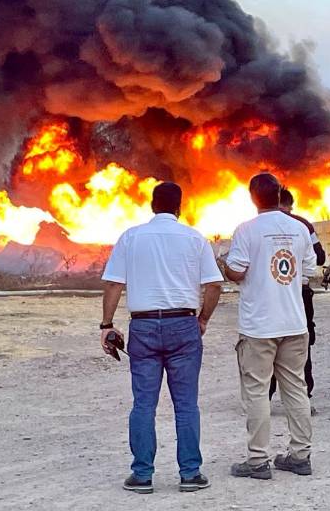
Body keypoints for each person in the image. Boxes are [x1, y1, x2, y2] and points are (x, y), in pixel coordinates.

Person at [100, 182, 223, 494]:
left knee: (143, 403)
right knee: (186, 404)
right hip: (184, 325)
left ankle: (142, 475)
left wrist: (106, 324)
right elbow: (214, 286)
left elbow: (114, 285)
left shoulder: (131, 237)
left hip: (143, 327)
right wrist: (203, 319)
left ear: (152, 205)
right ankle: (191, 474)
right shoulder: (196, 239)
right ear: (180, 207)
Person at [222, 173, 317, 480]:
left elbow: (236, 272)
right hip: (294, 322)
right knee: (295, 388)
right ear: (279, 195)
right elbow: (307, 271)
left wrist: (224, 263)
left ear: (253, 197)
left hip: (259, 327)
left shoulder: (246, 231)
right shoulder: (299, 228)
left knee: (257, 392)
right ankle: (300, 456)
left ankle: (257, 461)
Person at [269, 187, 326, 412]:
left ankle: (265, 395)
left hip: (269, 293)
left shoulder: (257, 226)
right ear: (290, 204)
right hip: (298, 293)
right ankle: (304, 397)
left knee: (266, 340)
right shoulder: (303, 225)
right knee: (300, 342)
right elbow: (319, 257)